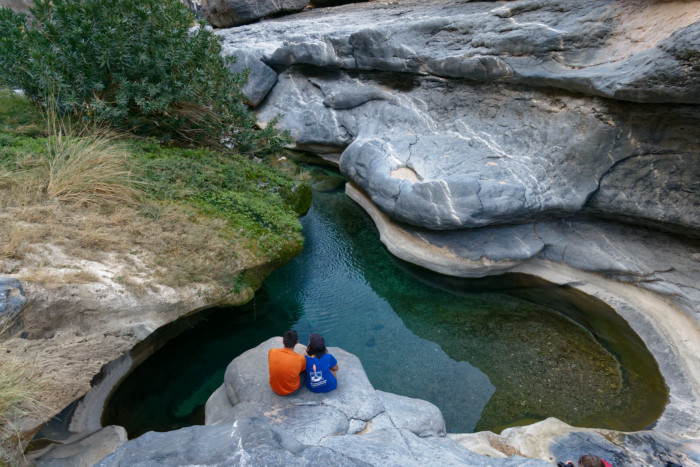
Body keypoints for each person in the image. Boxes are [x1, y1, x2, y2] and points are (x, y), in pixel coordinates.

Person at [268, 329, 306, 396]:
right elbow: (302, 370)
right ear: (297, 342)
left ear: (283, 342)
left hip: (274, 388)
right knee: (305, 373)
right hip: (291, 391)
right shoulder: (300, 358)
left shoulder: (272, 351)